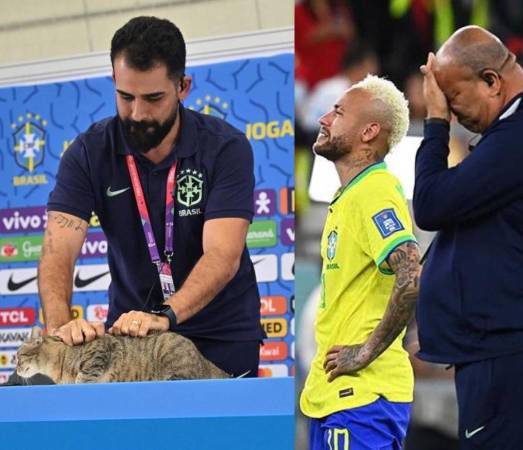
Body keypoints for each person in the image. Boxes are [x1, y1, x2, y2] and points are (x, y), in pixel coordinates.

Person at [34, 16, 263, 378]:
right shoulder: (88, 153)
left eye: (153, 98)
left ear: (183, 87)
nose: (138, 114)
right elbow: (57, 250)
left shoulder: (225, 147)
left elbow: (222, 254)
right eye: (126, 97)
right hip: (132, 339)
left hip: (222, 336)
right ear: (114, 81)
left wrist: (165, 315)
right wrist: (60, 328)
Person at [413, 25, 523, 449]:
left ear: (492, 81)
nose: (452, 111)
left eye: (454, 97)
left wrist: (435, 123)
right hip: (520, 354)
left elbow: (431, 203)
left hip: (512, 357)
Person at [300, 74, 421, 450]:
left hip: (362, 398)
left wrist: (366, 351)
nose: (324, 119)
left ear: (369, 132)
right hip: (334, 397)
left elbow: (411, 272)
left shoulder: (375, 190)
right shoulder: (350, 196)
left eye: (338, 112)